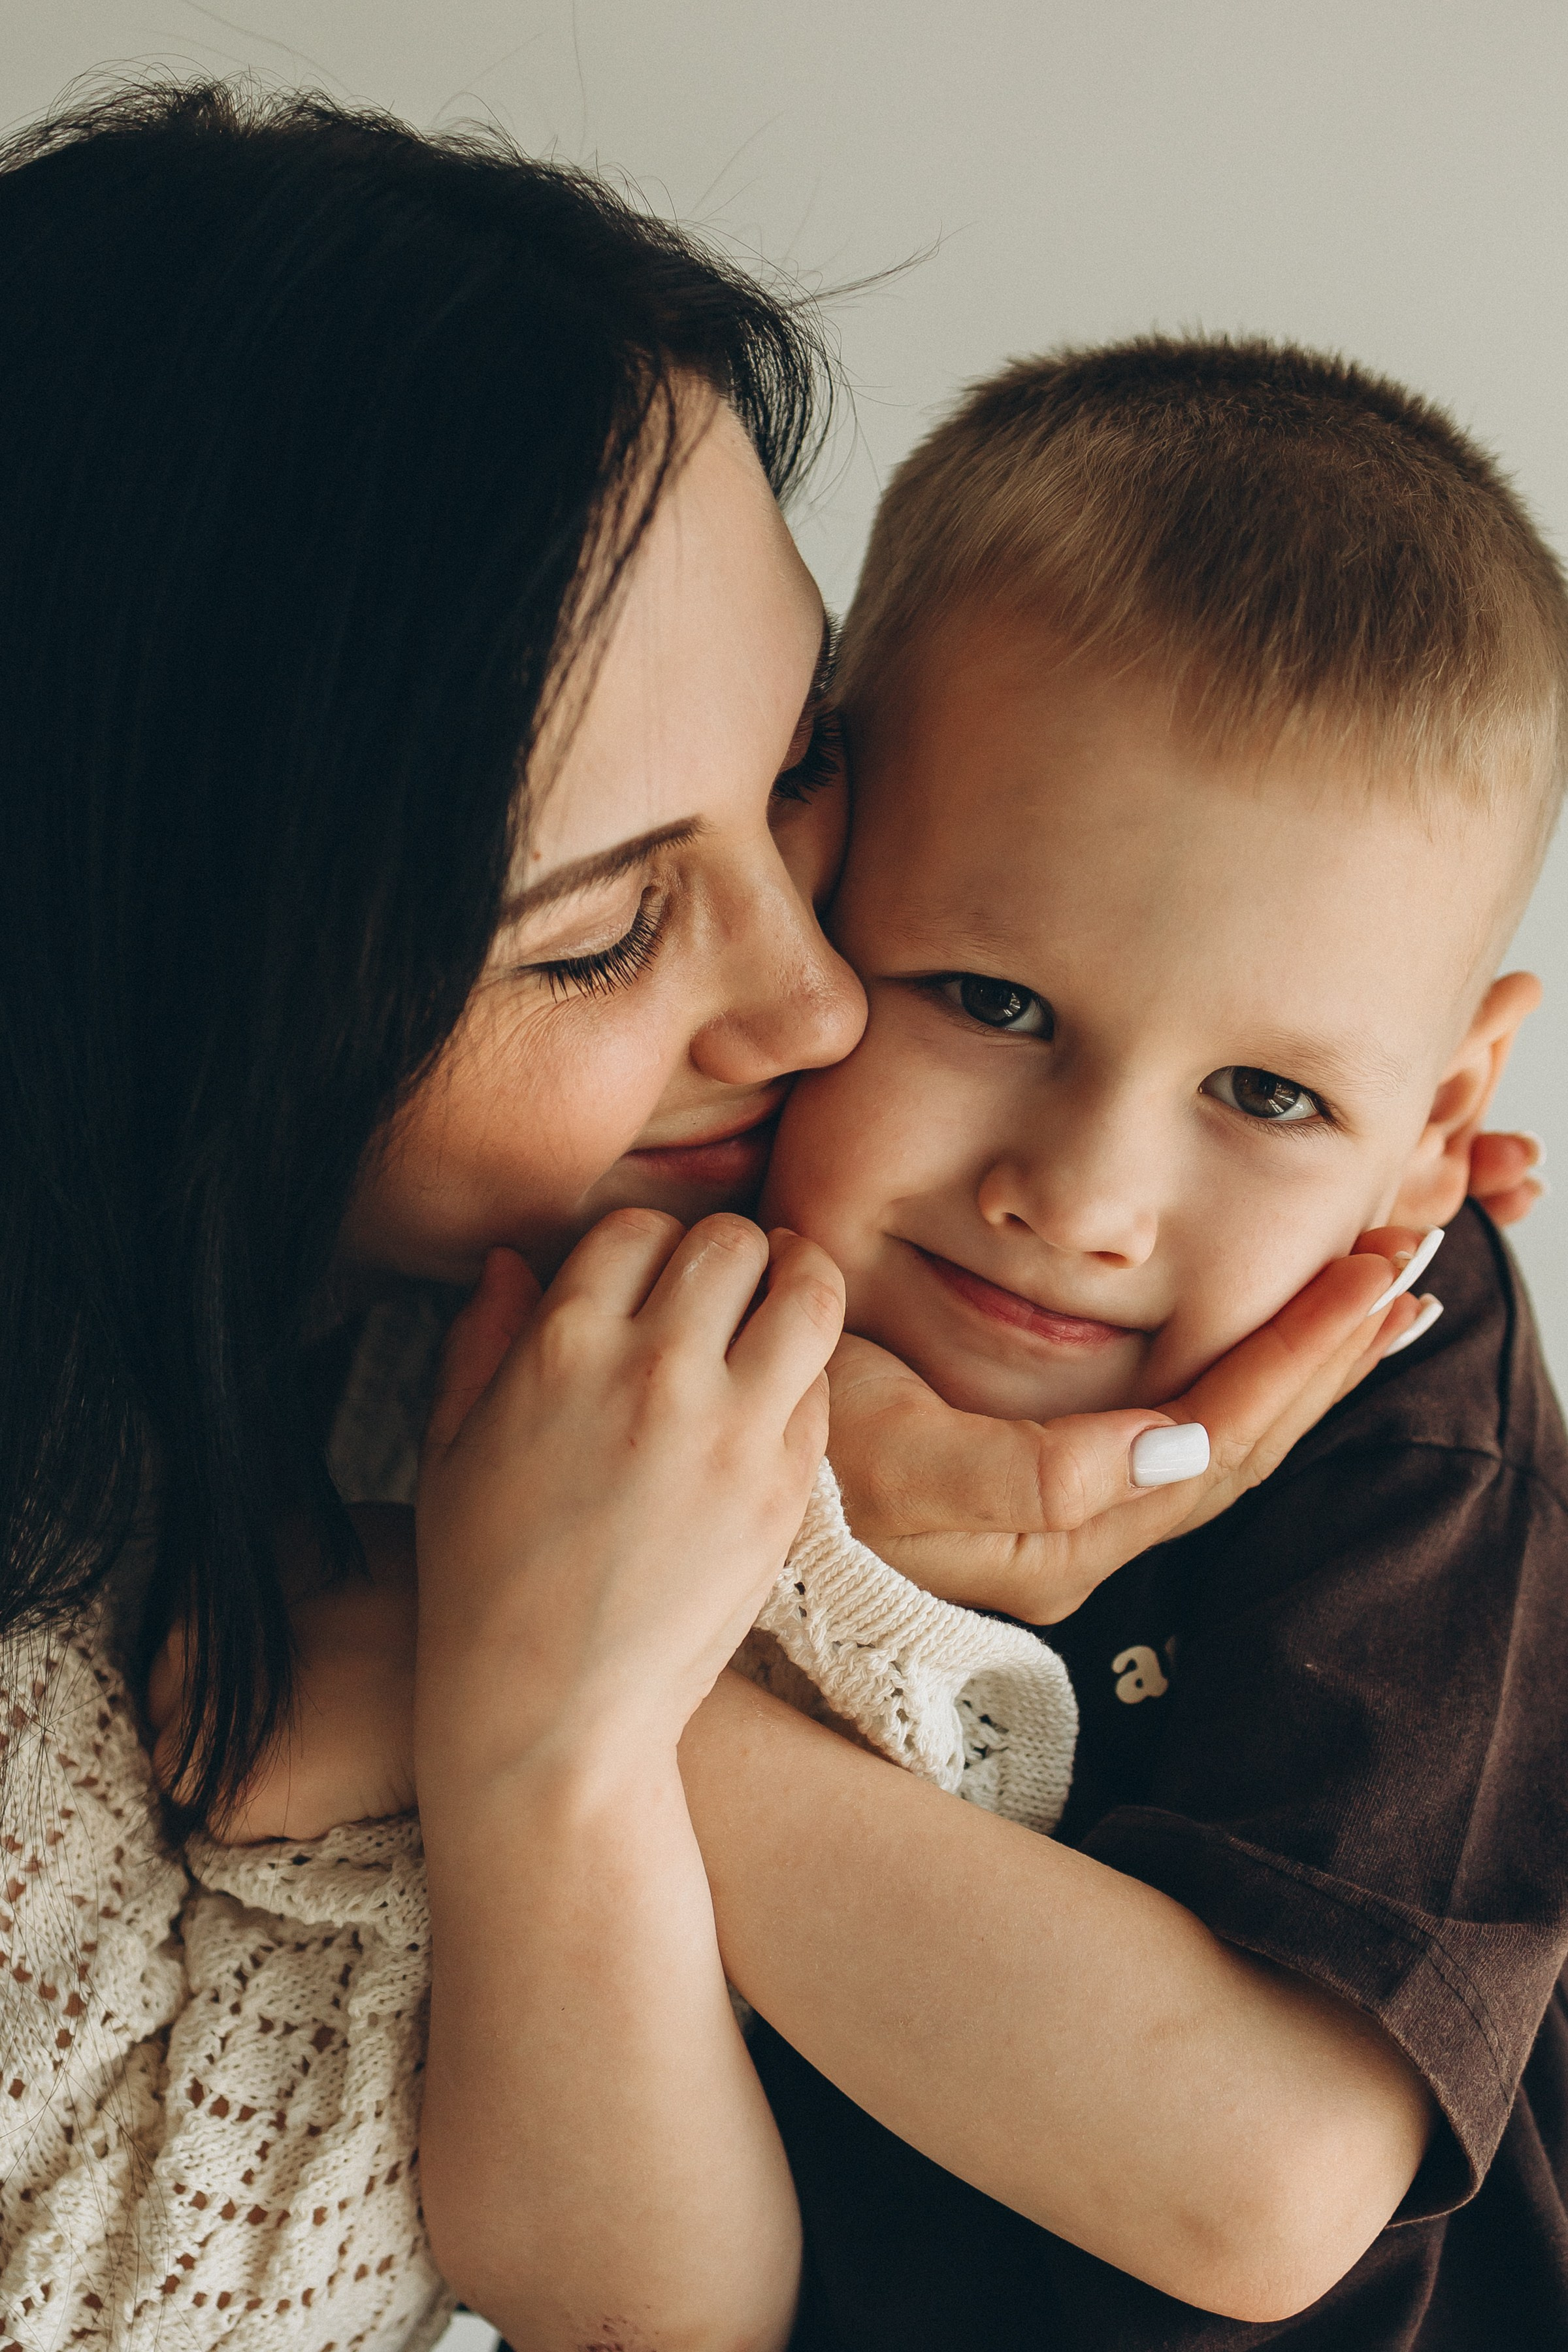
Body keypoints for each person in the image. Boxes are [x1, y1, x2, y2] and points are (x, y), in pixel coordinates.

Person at [0, 78, 1540, 2352]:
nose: (817, 999)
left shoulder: (1378, 1380)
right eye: (600, 934)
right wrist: (640, 1670)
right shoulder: (510, 1346)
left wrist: (515, 1659)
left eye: (797, 766)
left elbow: (1275, 2185)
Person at [750, 338, 1568, 2348]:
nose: (1089, 1198)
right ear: (801, 876)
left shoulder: (1415, 1400)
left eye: (1269, 1098)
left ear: (1441, 1123)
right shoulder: (668, 1229)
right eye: (992, 1000)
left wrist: (559, 1677)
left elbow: (1257, 2183)